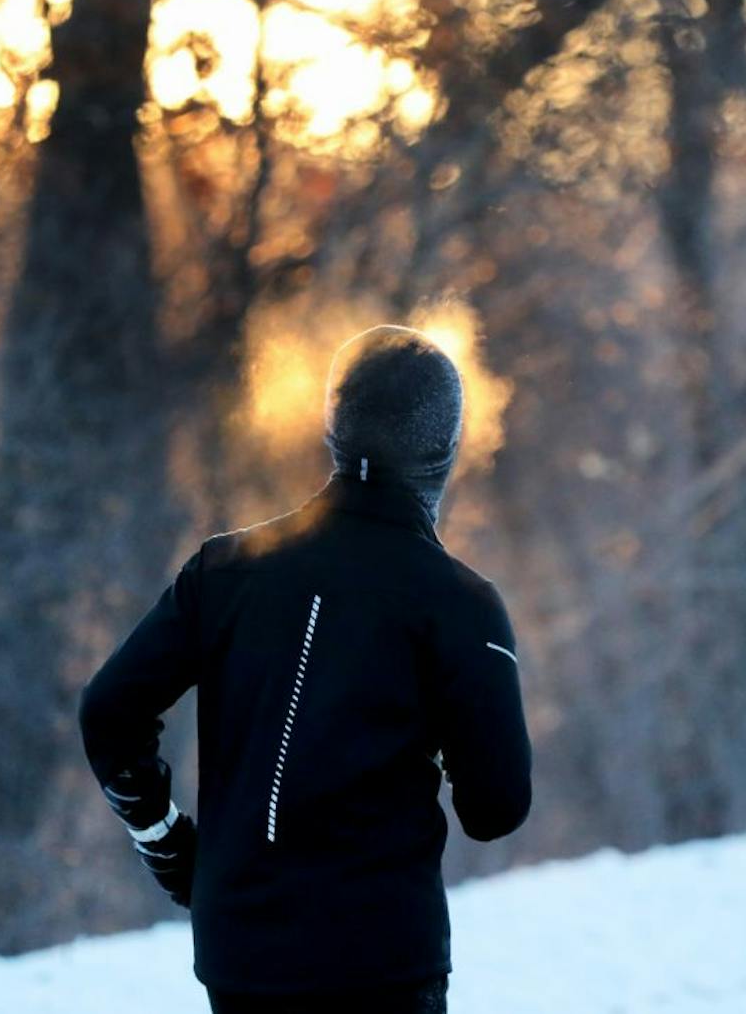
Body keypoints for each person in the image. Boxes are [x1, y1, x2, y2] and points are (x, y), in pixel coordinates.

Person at [78, 324, 533, 1013]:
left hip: (242, 960)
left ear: (333, 433)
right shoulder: (461, 603)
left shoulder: (226, 570)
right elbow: (496, 806)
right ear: (446, 450)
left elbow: (107, 712)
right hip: (381, 966)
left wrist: (167, 840)